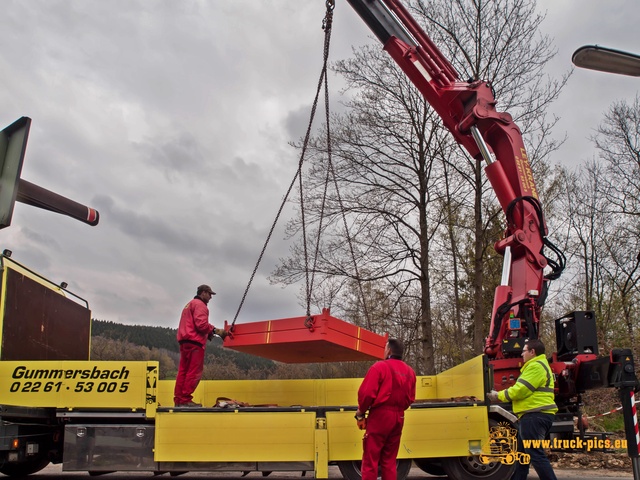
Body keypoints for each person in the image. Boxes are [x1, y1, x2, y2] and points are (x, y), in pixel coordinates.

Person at [488, 339, 558, 480]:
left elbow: (520, 390)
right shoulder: (536, 366)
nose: (522, 354)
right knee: (522, 455)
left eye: (524, 350)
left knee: (534, 453)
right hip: (531, 415)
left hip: (535, 415)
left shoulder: (536, 367)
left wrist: (498, 396)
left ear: (532, 352)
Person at [354, 338, 416, 480]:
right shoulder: (410, 372)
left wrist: (361, 412)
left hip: (381, 417)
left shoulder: (379, 367)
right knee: (389, 461)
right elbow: (410, 398)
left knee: (370, 460)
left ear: (388, 350)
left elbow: (366, 393)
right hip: (399, 418)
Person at [173, 284, 228, 407]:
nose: (211, 297)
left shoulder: (189, 304)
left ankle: (179, 400)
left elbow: (193, 324)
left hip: (185, 342)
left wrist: (208, 333)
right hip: (195, 343)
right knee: (194, 371)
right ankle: (186, 399)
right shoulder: (200, 305)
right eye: (209, 294)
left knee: (183, 371)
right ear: (203, 293)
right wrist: (215, 330)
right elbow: (201, 325)